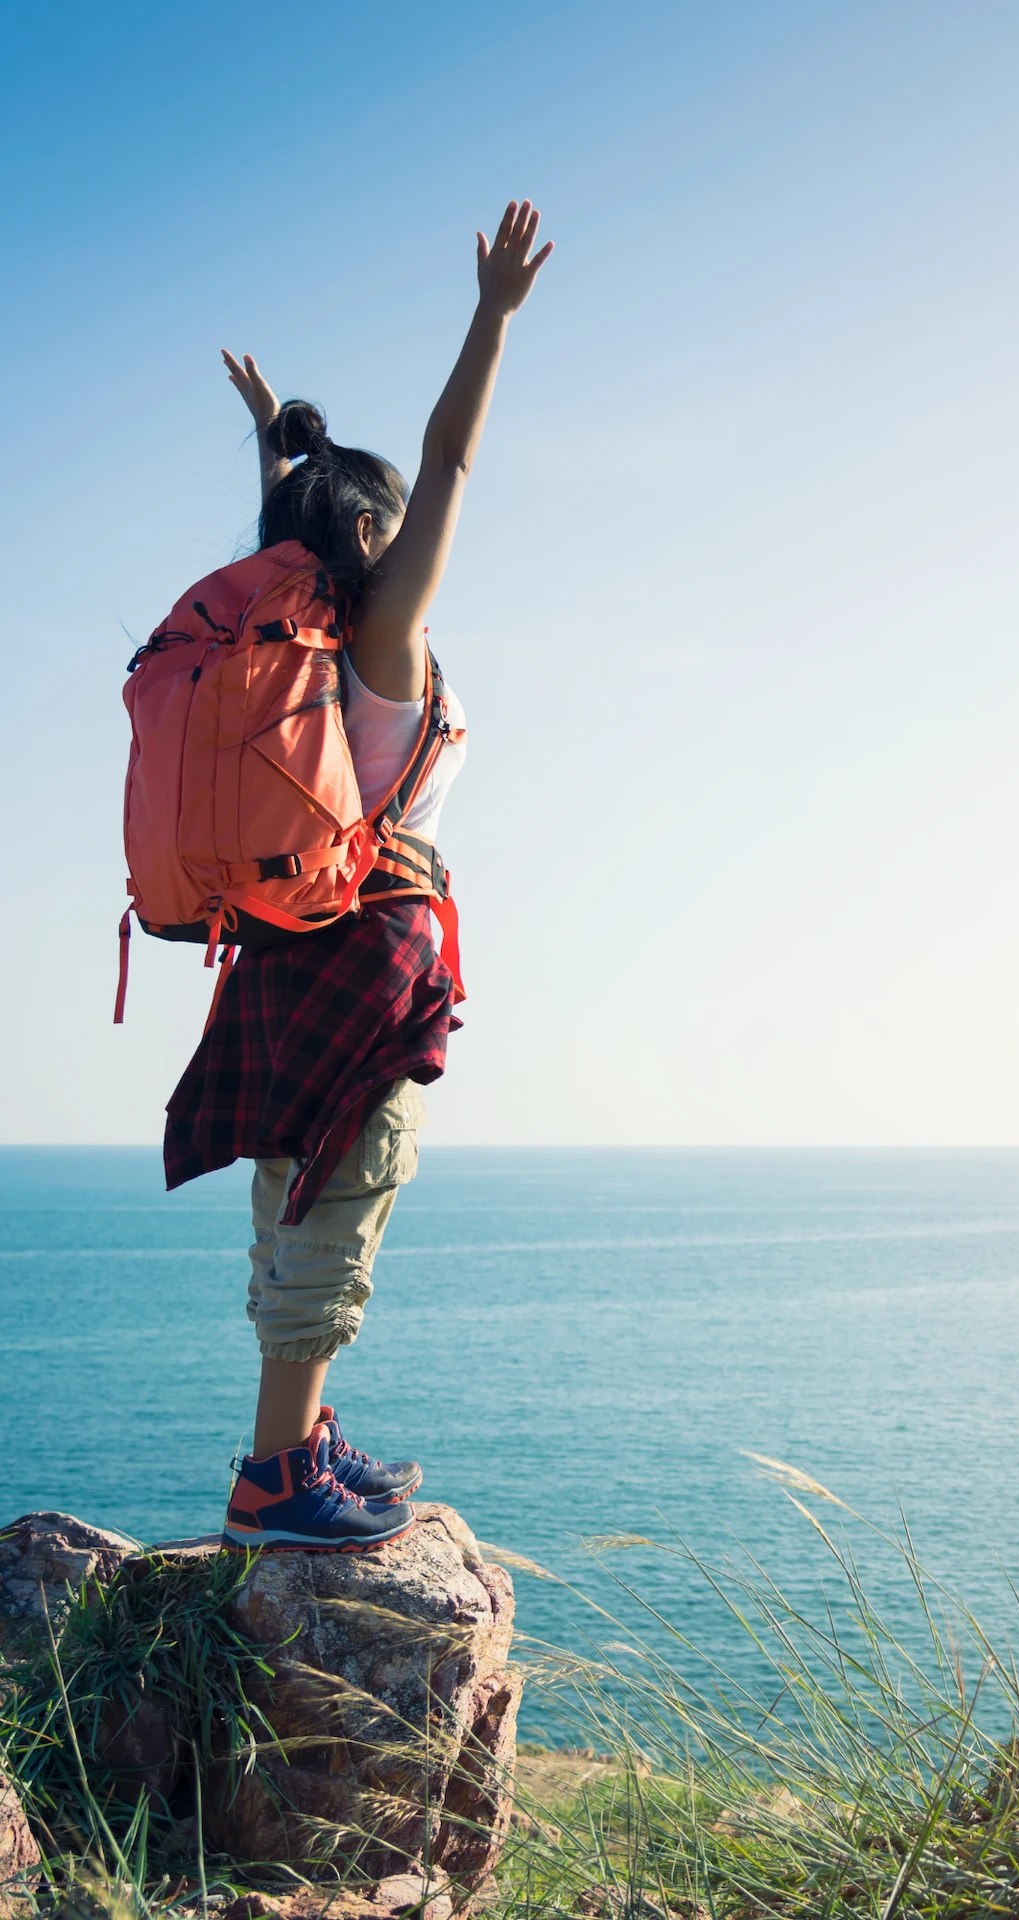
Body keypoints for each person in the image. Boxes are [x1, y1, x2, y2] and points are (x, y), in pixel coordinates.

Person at [164, 201, 553, 1551]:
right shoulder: (381, 637)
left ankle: (297, 1439)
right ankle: (278, 1484)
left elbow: (315, 506)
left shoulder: (301, 635)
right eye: (389, 520)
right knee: (346, 1194)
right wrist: (493, 318)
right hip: (362, 951)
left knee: (295, 1197)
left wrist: (280, 430)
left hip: (281, 945)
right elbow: (449, 460)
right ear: (373, 529)